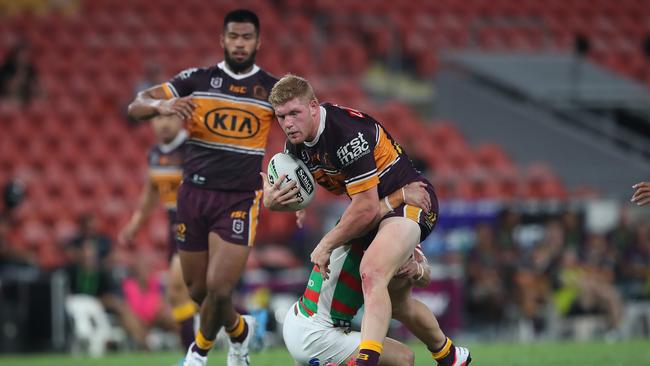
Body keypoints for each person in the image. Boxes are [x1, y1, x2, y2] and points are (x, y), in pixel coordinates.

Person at [265, 74, 471, 366]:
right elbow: (298, 188)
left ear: (313, 106)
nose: (287, 124)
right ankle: (451, 356)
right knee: (400, 304)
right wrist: (277, 203)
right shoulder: (297, 143)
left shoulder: (347, 135)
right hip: (379, 215)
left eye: (294, 114)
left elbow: (365, 208)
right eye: (281, 116)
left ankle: (366, 361)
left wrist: (325, 244)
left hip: (411, 202)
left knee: (371, 271)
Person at [127, 9, 278, 366]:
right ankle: (241, 331)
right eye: (233, 36)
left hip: (239, 198)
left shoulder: (271, 90)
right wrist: (164, 104)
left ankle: (198, 354)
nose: (239, 43)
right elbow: (137, 105)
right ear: (221, 40)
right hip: (193, 196)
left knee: (219, 287)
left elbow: (300, 136)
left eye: (246, 37)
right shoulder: (195, 80)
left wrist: (295, 188)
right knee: (198, 291)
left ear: (258, 42)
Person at [275, 183, 459, 366]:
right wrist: (400, 195)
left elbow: (425, 274)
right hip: (317, 332)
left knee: (399, 310)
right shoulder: (357, 222)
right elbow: (368, 213)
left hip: (301, 320)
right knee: (404, 358)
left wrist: (416, 269)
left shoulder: (395, 231)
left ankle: (448, 353)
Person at [118, 114, 197, 352]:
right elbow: (153, 189)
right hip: (175, 226)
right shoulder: (154, 153)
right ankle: (241, 327)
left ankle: (193, 354)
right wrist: (136, 222)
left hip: (197, 223)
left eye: (170, 117)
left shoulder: (193, 149)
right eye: (158, 117)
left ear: (181, 119)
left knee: (180, 289)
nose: (164, 123)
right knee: (196, 294)